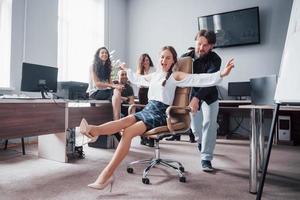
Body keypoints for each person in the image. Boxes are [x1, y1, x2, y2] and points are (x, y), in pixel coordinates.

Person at [79, 46, 234, 190]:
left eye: (167, 58)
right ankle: (94, 130)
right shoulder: (154, 75)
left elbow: (198, 79)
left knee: (128, 132)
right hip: (148, 109)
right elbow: (137, 78)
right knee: (122, 122)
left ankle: (106, 175)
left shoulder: (175, 76)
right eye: (161, 57)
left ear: (173, 60)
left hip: (160, 112)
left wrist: (221, 74)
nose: (163, 61)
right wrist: (126, 69)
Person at [181, 29, 222, 172]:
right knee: (196, 128)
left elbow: (210, 81)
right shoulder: (185, 58)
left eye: (205, 45)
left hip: (209, 96)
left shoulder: (216, 59)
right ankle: (201, 142)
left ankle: (206, 158)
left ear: (211, 46)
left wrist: (197, 98)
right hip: (192, 97)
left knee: (209, 124)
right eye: (199, 44)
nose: (201, 48)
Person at [88, 47, 125, 140]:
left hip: (105, 91)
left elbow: (111, 84)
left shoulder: (108, 67)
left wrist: (117, 86)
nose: (105, 54)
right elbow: (97, 84)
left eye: (106, 53)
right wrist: (114, 86)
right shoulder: (93, 66)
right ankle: (117, 126)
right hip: (94, 92)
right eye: (102, 53)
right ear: (98, 55)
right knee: (116, 92)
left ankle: (116, 123)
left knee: (117, 91)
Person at [136, 53, 156, 147]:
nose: (146, 62)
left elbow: (154, 82)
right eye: (144, 60)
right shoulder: (139, 71)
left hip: (151, 91)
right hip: (142, 92)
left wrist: (145, 81)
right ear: (141, 62)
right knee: (143, 115)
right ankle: (143, 138)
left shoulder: (154, 69)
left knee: (151, 114)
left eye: (147, 60)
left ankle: (151, 138)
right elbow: (139, 84)